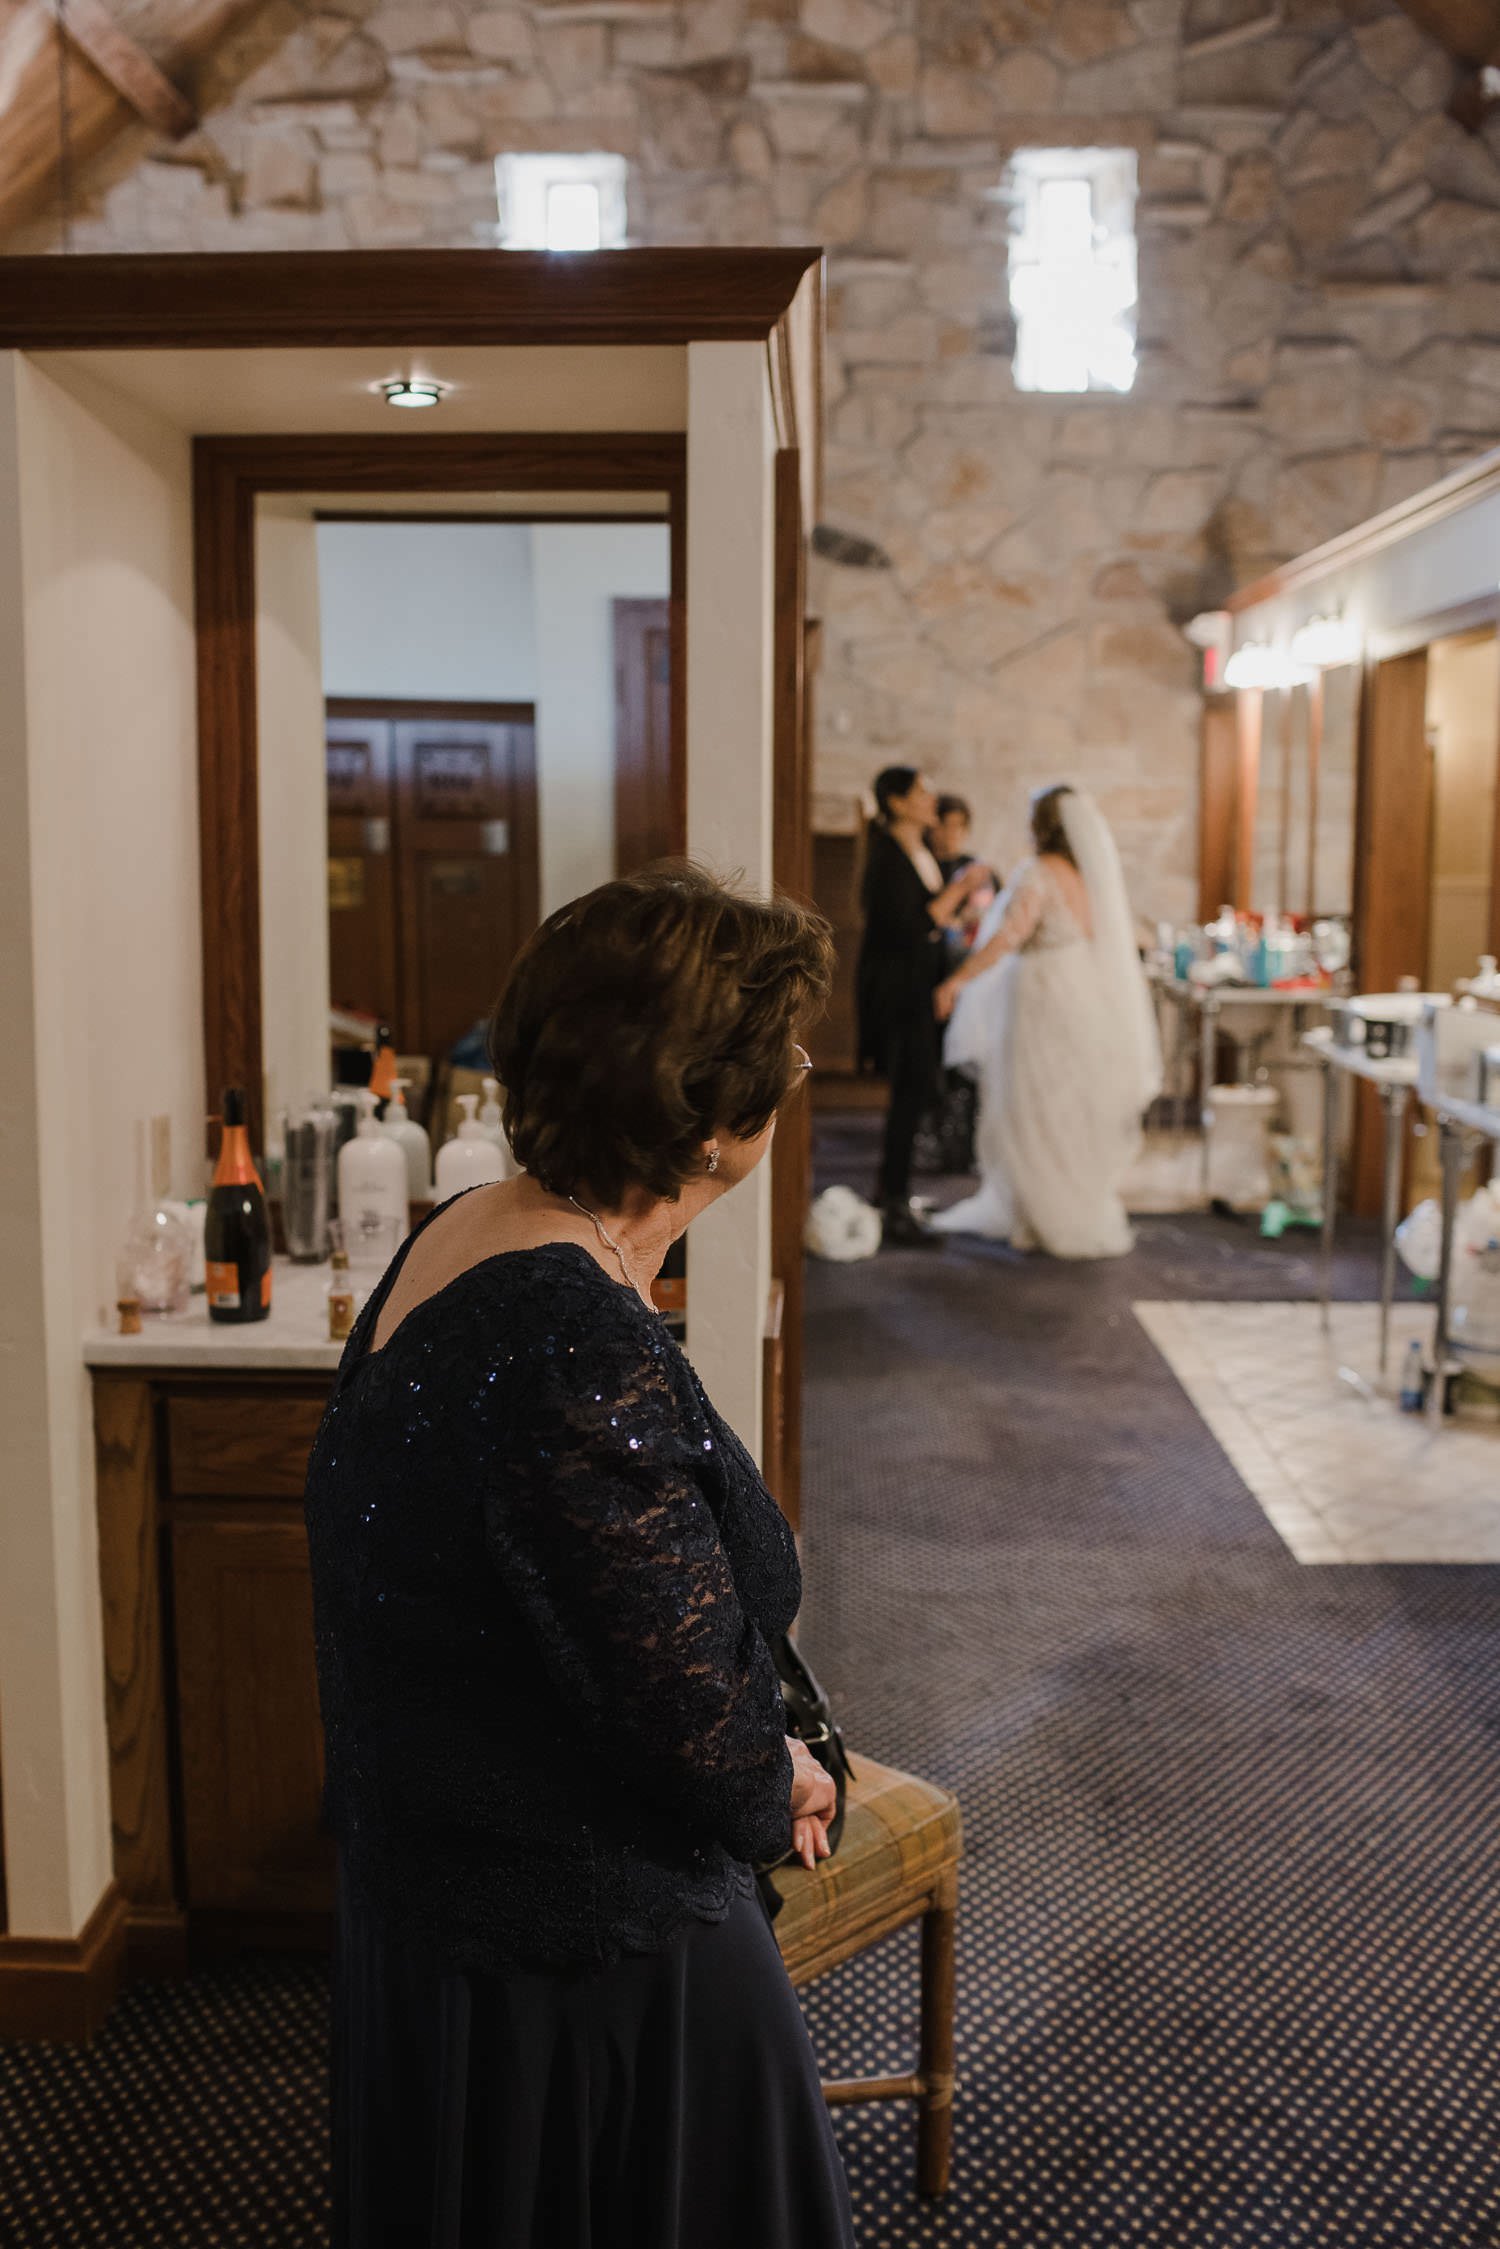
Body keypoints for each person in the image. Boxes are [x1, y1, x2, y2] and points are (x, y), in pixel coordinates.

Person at [304, 864, 856, 2249]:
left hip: (446, 1900)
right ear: (715, 1117)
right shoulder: (572, 1341)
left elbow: (582, 1607)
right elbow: (670, 1710)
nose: (792, 1082)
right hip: (580, 1955)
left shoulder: (470, 1228)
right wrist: (775, 1769)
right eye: (782, 1056)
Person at [931, 783, 1162, 1259]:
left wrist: (959, 979)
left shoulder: (1038, 873)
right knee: (1069, 1103)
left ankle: (1039, 1212)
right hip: (1081, 996)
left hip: (1041, 996)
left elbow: (1008, 937)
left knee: (1032, 1101)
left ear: (1042, 825)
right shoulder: (1092, 879)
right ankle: (1069, 1203)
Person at [856, 766, 989, 1246]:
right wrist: (960, 888)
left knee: (915, 1094)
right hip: (900, 990)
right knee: (907, 1095)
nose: (931, 800)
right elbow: (907, 925)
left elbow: (932, 922)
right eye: (921, 793)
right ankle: (892, 1203)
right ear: (896, 802)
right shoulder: (888, 856)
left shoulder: (917, 850)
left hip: (920, 986)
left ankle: (897, 1190)